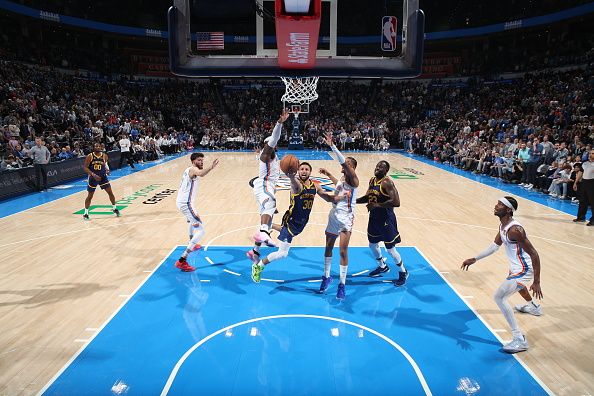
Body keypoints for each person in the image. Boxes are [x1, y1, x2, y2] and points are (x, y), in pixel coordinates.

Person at [461, 196, 543, 353]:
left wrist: (537, 281)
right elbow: (494, 246)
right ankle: (534, 307)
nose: (496, 206)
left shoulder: (515, 230)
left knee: (499, 296)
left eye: (500, 204)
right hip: (516, 268)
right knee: (517, 288)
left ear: (508, 210)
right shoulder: (503, 226)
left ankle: (519, 339)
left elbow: (534, 254)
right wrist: (475, 259)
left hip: (524, 269)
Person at [251, 162, 334, 284]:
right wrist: (291, 177)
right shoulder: (296, 184)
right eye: (301, 169)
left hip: (302, 222)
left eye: (306, 169)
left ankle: (269, 225)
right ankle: (259, 265)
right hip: (292, 219)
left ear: (310, 172)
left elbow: (326, 197)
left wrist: (338, 199)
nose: (304, 171)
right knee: (283, 253)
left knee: (287, 232)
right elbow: (296, 186)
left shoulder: (315, 185)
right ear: (298, 171)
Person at [317, 132, 359, 299]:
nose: (345, 165)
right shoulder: (343, 179)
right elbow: (339, 185)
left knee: (342, 251)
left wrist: (332, 145)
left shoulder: (355, 180)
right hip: (333, 215)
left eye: (348, 164)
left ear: (352, 168)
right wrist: (328, 174)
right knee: (328, 248)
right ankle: (326, 277)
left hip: (346, 218)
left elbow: (344, 164)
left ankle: (342, 285)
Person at [247, 109, 290, 263]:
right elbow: (274, 139)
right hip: (264, 184)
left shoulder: (273, 156)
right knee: (271, 205)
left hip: (267, 186)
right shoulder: (267, 154)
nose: (274, 144)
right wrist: (279, 123)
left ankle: (255, 252)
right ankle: (264, 233)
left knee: (268, 219)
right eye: (271, 143)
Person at [356, 160, 408, 286]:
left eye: (381, 167)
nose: (377, 168)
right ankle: (382, 266)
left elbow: (396, 202)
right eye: (377, 166)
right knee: (372, 244)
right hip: (374, 218)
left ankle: (403, 272)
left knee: (390, 249)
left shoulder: (387, 182)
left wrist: (377, 205)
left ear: (386, 171)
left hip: (386, 219)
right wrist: (353, 201)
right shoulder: (372, 180)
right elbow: (368, 197)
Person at [174, 153, 219, 272]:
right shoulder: (193, 170)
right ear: (193, 161)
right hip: (186, 204)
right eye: (199, 160)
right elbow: (201, 174)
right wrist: (211, 167)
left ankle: (191, 242)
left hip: (183, 202)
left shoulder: (188, 169)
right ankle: (182, 260)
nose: (201, 162)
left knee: (192, 221)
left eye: (202, 160)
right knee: (201, 231)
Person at [82, 142, 119, 220]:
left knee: (110, 193)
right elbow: (85, 167)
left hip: (103, 177)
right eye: (96, 146)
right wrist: (93, 175)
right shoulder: (90, 156)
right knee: (90, 196)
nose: (98, 147)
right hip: (93, 178)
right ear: (93, 147)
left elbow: (105, 164)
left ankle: (114, 208)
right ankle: (85, 213)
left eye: (99, 146)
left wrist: (107, 170)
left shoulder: (104, 156)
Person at [574, 149, 594, 225]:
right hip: (584, 183)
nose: (590, 155)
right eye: (590, 153)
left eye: (592, 153)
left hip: (592, 183)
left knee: (592, 202)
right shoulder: (585, 163)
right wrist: (575, 182)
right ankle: (581, 217)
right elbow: (580, 173)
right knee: (582, 201)